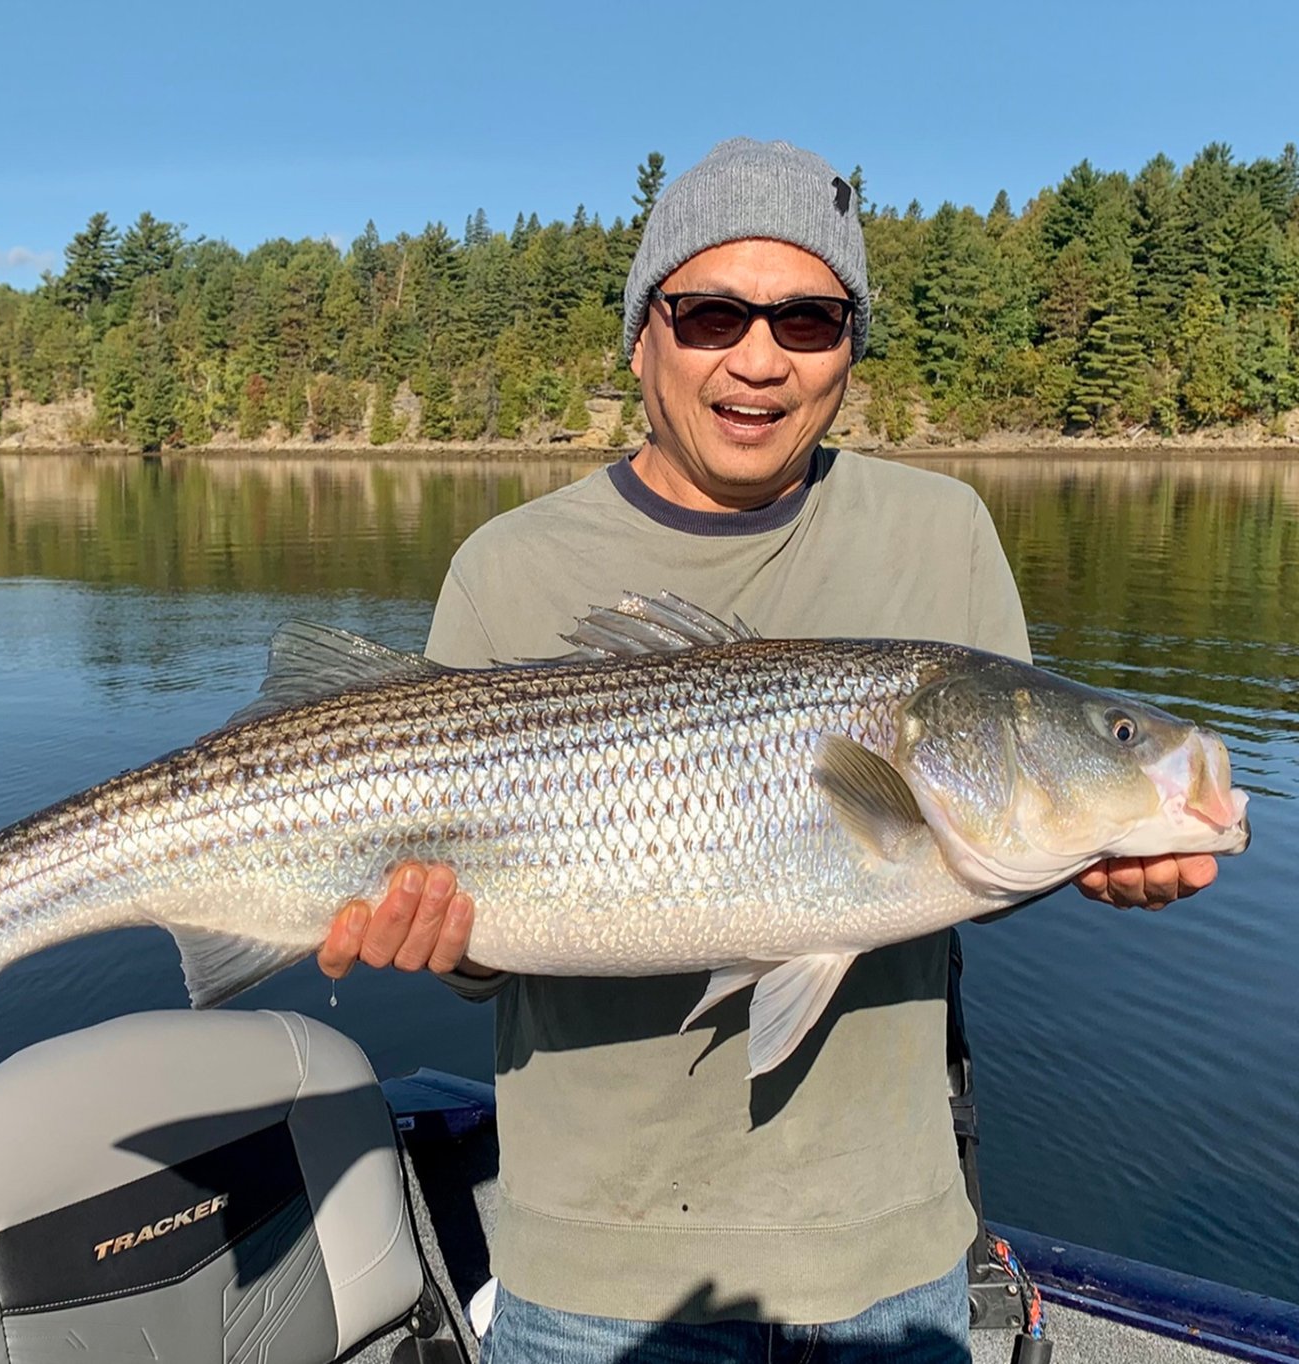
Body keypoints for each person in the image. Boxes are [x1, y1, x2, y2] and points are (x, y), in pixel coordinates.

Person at [316, 138, 1221, 1362]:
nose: (757, 358)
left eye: (808, 319)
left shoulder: (939, 530)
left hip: (890, 1261)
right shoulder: (508, 565)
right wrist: (433, 941)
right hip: (596, 1273)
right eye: (708, 313)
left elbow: (966, 854)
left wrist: (1093, 844)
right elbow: (480, 952)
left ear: (849, 348)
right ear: (642, 336)